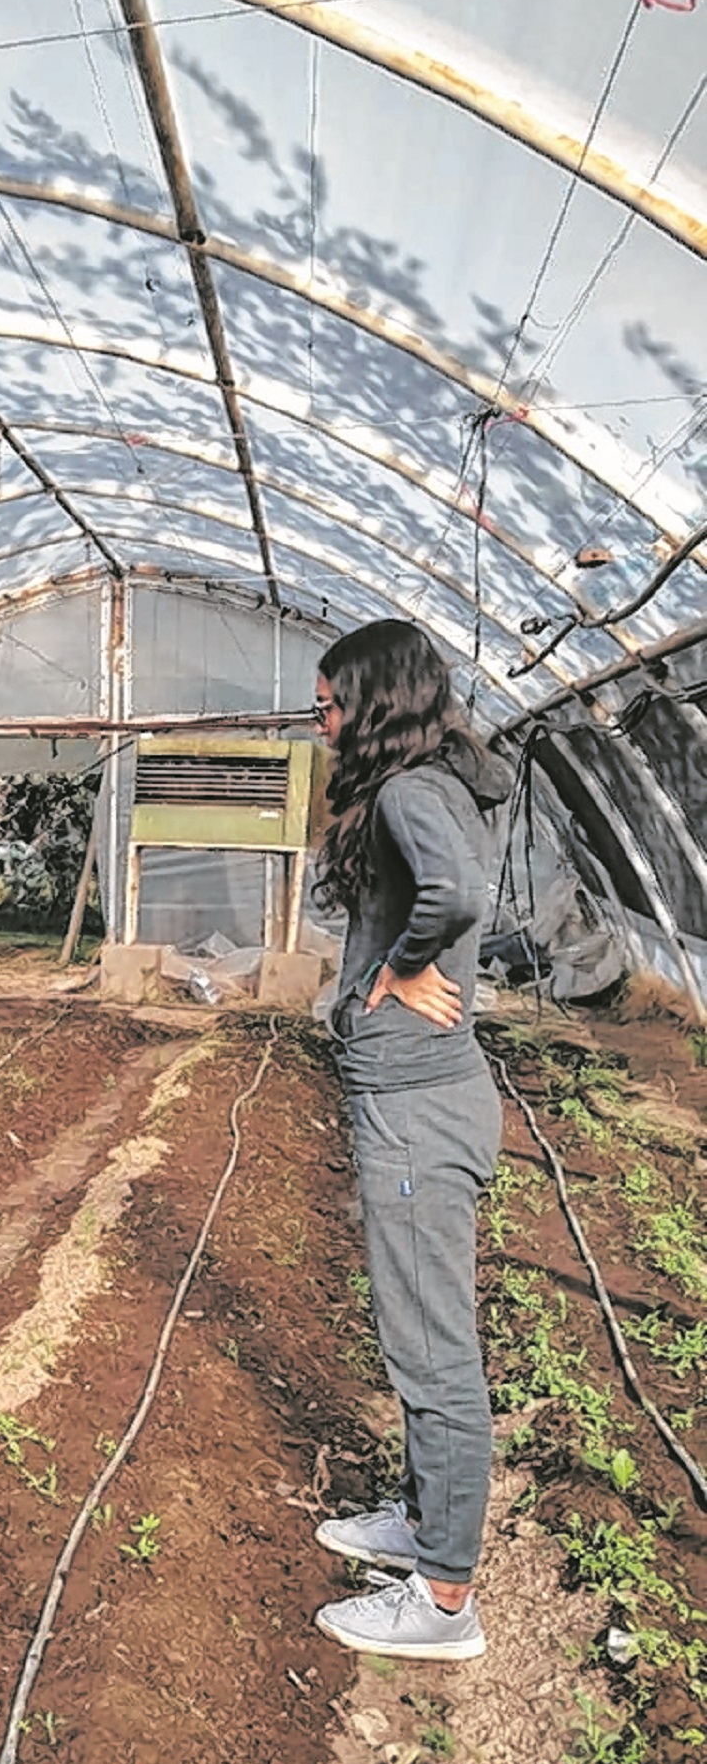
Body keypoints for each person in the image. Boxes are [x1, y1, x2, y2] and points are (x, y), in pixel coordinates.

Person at [307, 620, 511, 1662]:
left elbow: (460, 894)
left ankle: (442, 1604)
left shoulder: (403, 791)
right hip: (428, 1096)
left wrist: (396, 966)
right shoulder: (435, 782)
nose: (323, 720)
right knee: (420, 1334)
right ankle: (425, 1524)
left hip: (418, 1110)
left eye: (334, 704)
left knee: (432, 1353)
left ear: (377, 704)